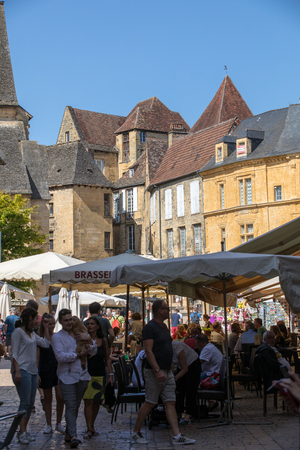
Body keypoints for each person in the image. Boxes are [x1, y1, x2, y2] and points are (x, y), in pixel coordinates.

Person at [131, 299, 195, 445]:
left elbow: (168, 349)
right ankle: (136, 432)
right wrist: (157, 370)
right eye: (166, 308)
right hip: (155, 371)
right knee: (150, 402)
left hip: (167, 370)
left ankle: (177, 435)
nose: (168, 311)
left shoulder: (164, 327)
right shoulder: (150, 328)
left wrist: (170, 369)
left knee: (170, 402)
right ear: (160, 310)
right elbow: (148, 350)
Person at [51, 308, 97, 449]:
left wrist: (88, 339)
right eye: (66, 320)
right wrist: (77, 355)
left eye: (71, 319)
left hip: (82, 375)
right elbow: (60, 356)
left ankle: (68, 434)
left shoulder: (80, 333)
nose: (69, 322)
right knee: (71, 406)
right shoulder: (57, 337)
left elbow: (94, 350)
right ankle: (74, 436)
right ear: (60, 321)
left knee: (75, 406)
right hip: (66, 377)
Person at [11, 307, 51, 444]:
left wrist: (45, 328)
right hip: (22, 370)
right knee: (25, 402)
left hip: (33, 371)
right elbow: (14, 354)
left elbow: (46, 344)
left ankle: (23, 430)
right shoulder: (18, 332)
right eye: (35, 319)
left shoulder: (33, 334)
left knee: (29, 404)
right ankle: (21, 432)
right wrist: (17, 371)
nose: (36, 321)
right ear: (29, 318)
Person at [83, 317, 114, 439]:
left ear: (97, 326)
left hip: (100, 374)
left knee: (97, 401)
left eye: (92, 324)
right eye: (88, 324)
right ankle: (89, 428)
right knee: (88, 401)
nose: (89, 326)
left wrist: (110, 374)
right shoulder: (84, 340)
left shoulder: (103, 340)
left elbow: (107, 358)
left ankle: (92, 425)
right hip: (86, 374)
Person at [38, 313, 64, 434]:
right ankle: (49, 424)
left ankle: (59, 423)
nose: (52, 326)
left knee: (61, 397)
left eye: (53, 323)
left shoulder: (56, 337)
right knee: (48, 399)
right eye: (49, 323)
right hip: (45, 369)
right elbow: (46, 344)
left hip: (57, 370)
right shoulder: (40, 339)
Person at [172, 340, 201, 424]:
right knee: (179, 389)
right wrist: (172, 378)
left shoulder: (177, 348)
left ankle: (188, 416)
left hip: (192, 364)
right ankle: (178, 413)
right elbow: (170, 366)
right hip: (181, 366)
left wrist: (174, 378)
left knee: (190, 390)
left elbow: (185, 369)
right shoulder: (164, 350)